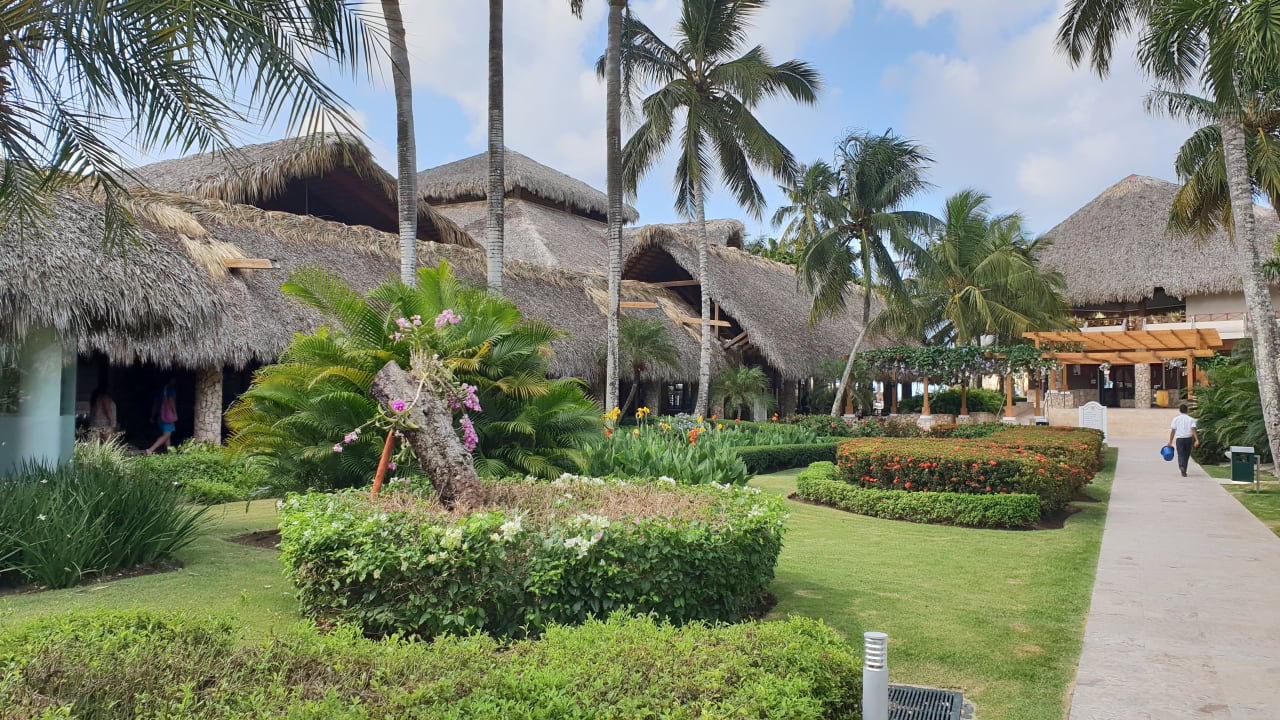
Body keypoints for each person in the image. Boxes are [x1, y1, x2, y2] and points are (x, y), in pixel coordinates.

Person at [1166, 403, 1200, 477]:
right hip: (1188, 438)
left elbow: (1173, 431)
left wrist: (1170, 441)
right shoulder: (1191, 419)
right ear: (1187, 410)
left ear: (1180, 410)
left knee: (1180, 454)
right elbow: (1193, 429)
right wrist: (1197, 440)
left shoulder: (1176, 419)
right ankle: (1184, 468)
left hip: (1179, 439)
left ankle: (1181, 466)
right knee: (1186, 454)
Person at [146, 377, 178, 455]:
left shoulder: (159, 390)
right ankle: (150, 450)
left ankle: (169, 453)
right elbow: (171, 401)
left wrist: (152, 416)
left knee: (167, 435)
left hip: (160, 416)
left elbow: (155, 404)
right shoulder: (170, 389)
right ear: (171, 380)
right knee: (167, 435)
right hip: (167, 416)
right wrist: (175, 413)